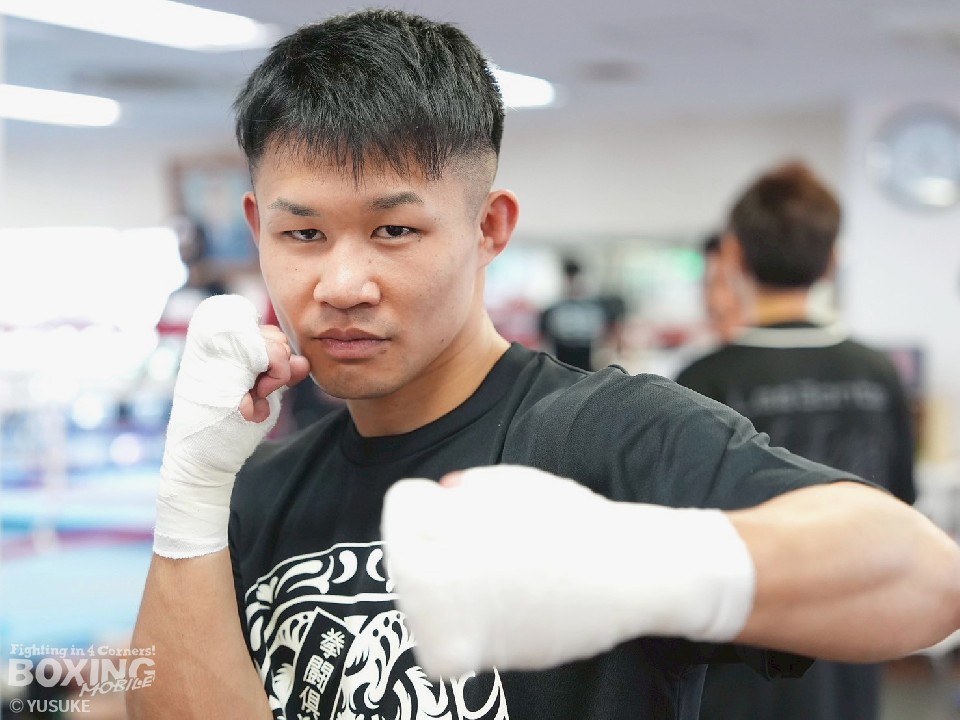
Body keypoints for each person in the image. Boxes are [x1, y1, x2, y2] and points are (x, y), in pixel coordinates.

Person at [126, 11, 959, 720]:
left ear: (489, 228)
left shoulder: (608, 437)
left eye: (395, 230)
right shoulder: (258, 495)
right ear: (257, 228)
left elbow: (925, 580)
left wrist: (643, 563)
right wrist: (189, 496)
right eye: (302, 233)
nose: (341, 285)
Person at [676, 161, 918, 720]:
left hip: (741, 654)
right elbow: (901, 506)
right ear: (832, 261)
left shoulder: (703, 381)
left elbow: (683, 531)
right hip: (850, 643)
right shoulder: (878, 374)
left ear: (734, 256)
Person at [537, 256, 625, 370]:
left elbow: (604, 335)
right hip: (562, 359)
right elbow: (545, 338)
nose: (573, 284)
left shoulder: (594, 309)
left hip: (586, 359)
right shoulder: (555, 310)